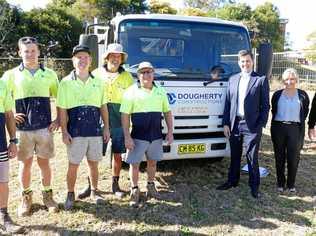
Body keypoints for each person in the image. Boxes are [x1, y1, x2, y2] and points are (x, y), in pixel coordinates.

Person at [2, 36, 59, 216]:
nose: (30, 54)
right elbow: (3, 98)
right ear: (20, 52)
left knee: (44, 164)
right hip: (22, 130)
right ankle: (26, 198)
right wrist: (10, 113)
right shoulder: (10, 75)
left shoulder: (50, 74)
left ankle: (48, 196)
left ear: (39, 52)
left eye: (33, 50)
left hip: (44, 128)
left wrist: (57, 119)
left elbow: (60, 98)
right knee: (24, 165)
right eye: (26, 51)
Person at [57, 45, 110, 210]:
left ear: (90, 60)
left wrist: (106, 128)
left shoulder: (99, 83)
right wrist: (64, 132)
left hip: (94, 131)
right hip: (75, 132)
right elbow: (62, 110)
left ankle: (94, 191)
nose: (82, 60)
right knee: (73, 164)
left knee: (94, 164)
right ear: (73, 60)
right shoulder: (65, 83)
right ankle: (70, 194)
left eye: (85, 57)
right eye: (78, 57)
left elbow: (103, 107)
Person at [78, 43, 134, 199]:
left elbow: (131, 100)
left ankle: (115, 185)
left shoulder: (128, 77)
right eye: (113, 55)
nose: (115, 59)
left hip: (119, 120)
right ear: (107, 57)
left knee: (117, 153)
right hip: (96, 119)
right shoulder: (95, 74)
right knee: (93, 155)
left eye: (118, 56)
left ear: (121, 59)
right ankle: (90, 185)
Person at [216, 50, 270, 198]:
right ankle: (232, 181)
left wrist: (261, 125)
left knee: (251, 156)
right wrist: (225, 123)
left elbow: (266, 106)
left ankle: (254, 186)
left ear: (252, 62)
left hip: (252, 125)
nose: (245, 64)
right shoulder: (232, 79)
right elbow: (227, 103)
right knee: (235, 155)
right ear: (238, 63)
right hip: (235, 124)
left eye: (248, 61)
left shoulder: (261, 79)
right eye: (242, 61)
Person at [120, 61, 173, 207]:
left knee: (152, 162)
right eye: (143, 72)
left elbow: (167, 112)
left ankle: (150, 186)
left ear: (153, 74)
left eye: (149, 72)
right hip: (137, 135)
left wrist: (170, 132)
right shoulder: (131, 91)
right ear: (138, 75)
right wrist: (127, 136)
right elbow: (125, 115)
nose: (146, 75)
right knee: (134, 164)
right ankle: (134, 190)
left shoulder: (160, 90)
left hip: (155, 135)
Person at [271, 68, 309, 194]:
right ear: (283, 80)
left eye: (292, 79)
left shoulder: (303, 95)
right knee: (279, 156)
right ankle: (280, 183)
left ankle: (291, 184)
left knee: (294, 157)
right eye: (286, 79)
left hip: (295, 129)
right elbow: (273, 110)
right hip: (279, 128)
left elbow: (305, 112)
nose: (289, 81)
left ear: (296, 80)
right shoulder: (277, 95)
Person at [0, 79, 24, 233]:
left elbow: (9, 115)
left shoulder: (1, 84)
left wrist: (13, 141)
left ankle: (3, 216)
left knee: (2, 181)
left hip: (0, 143)